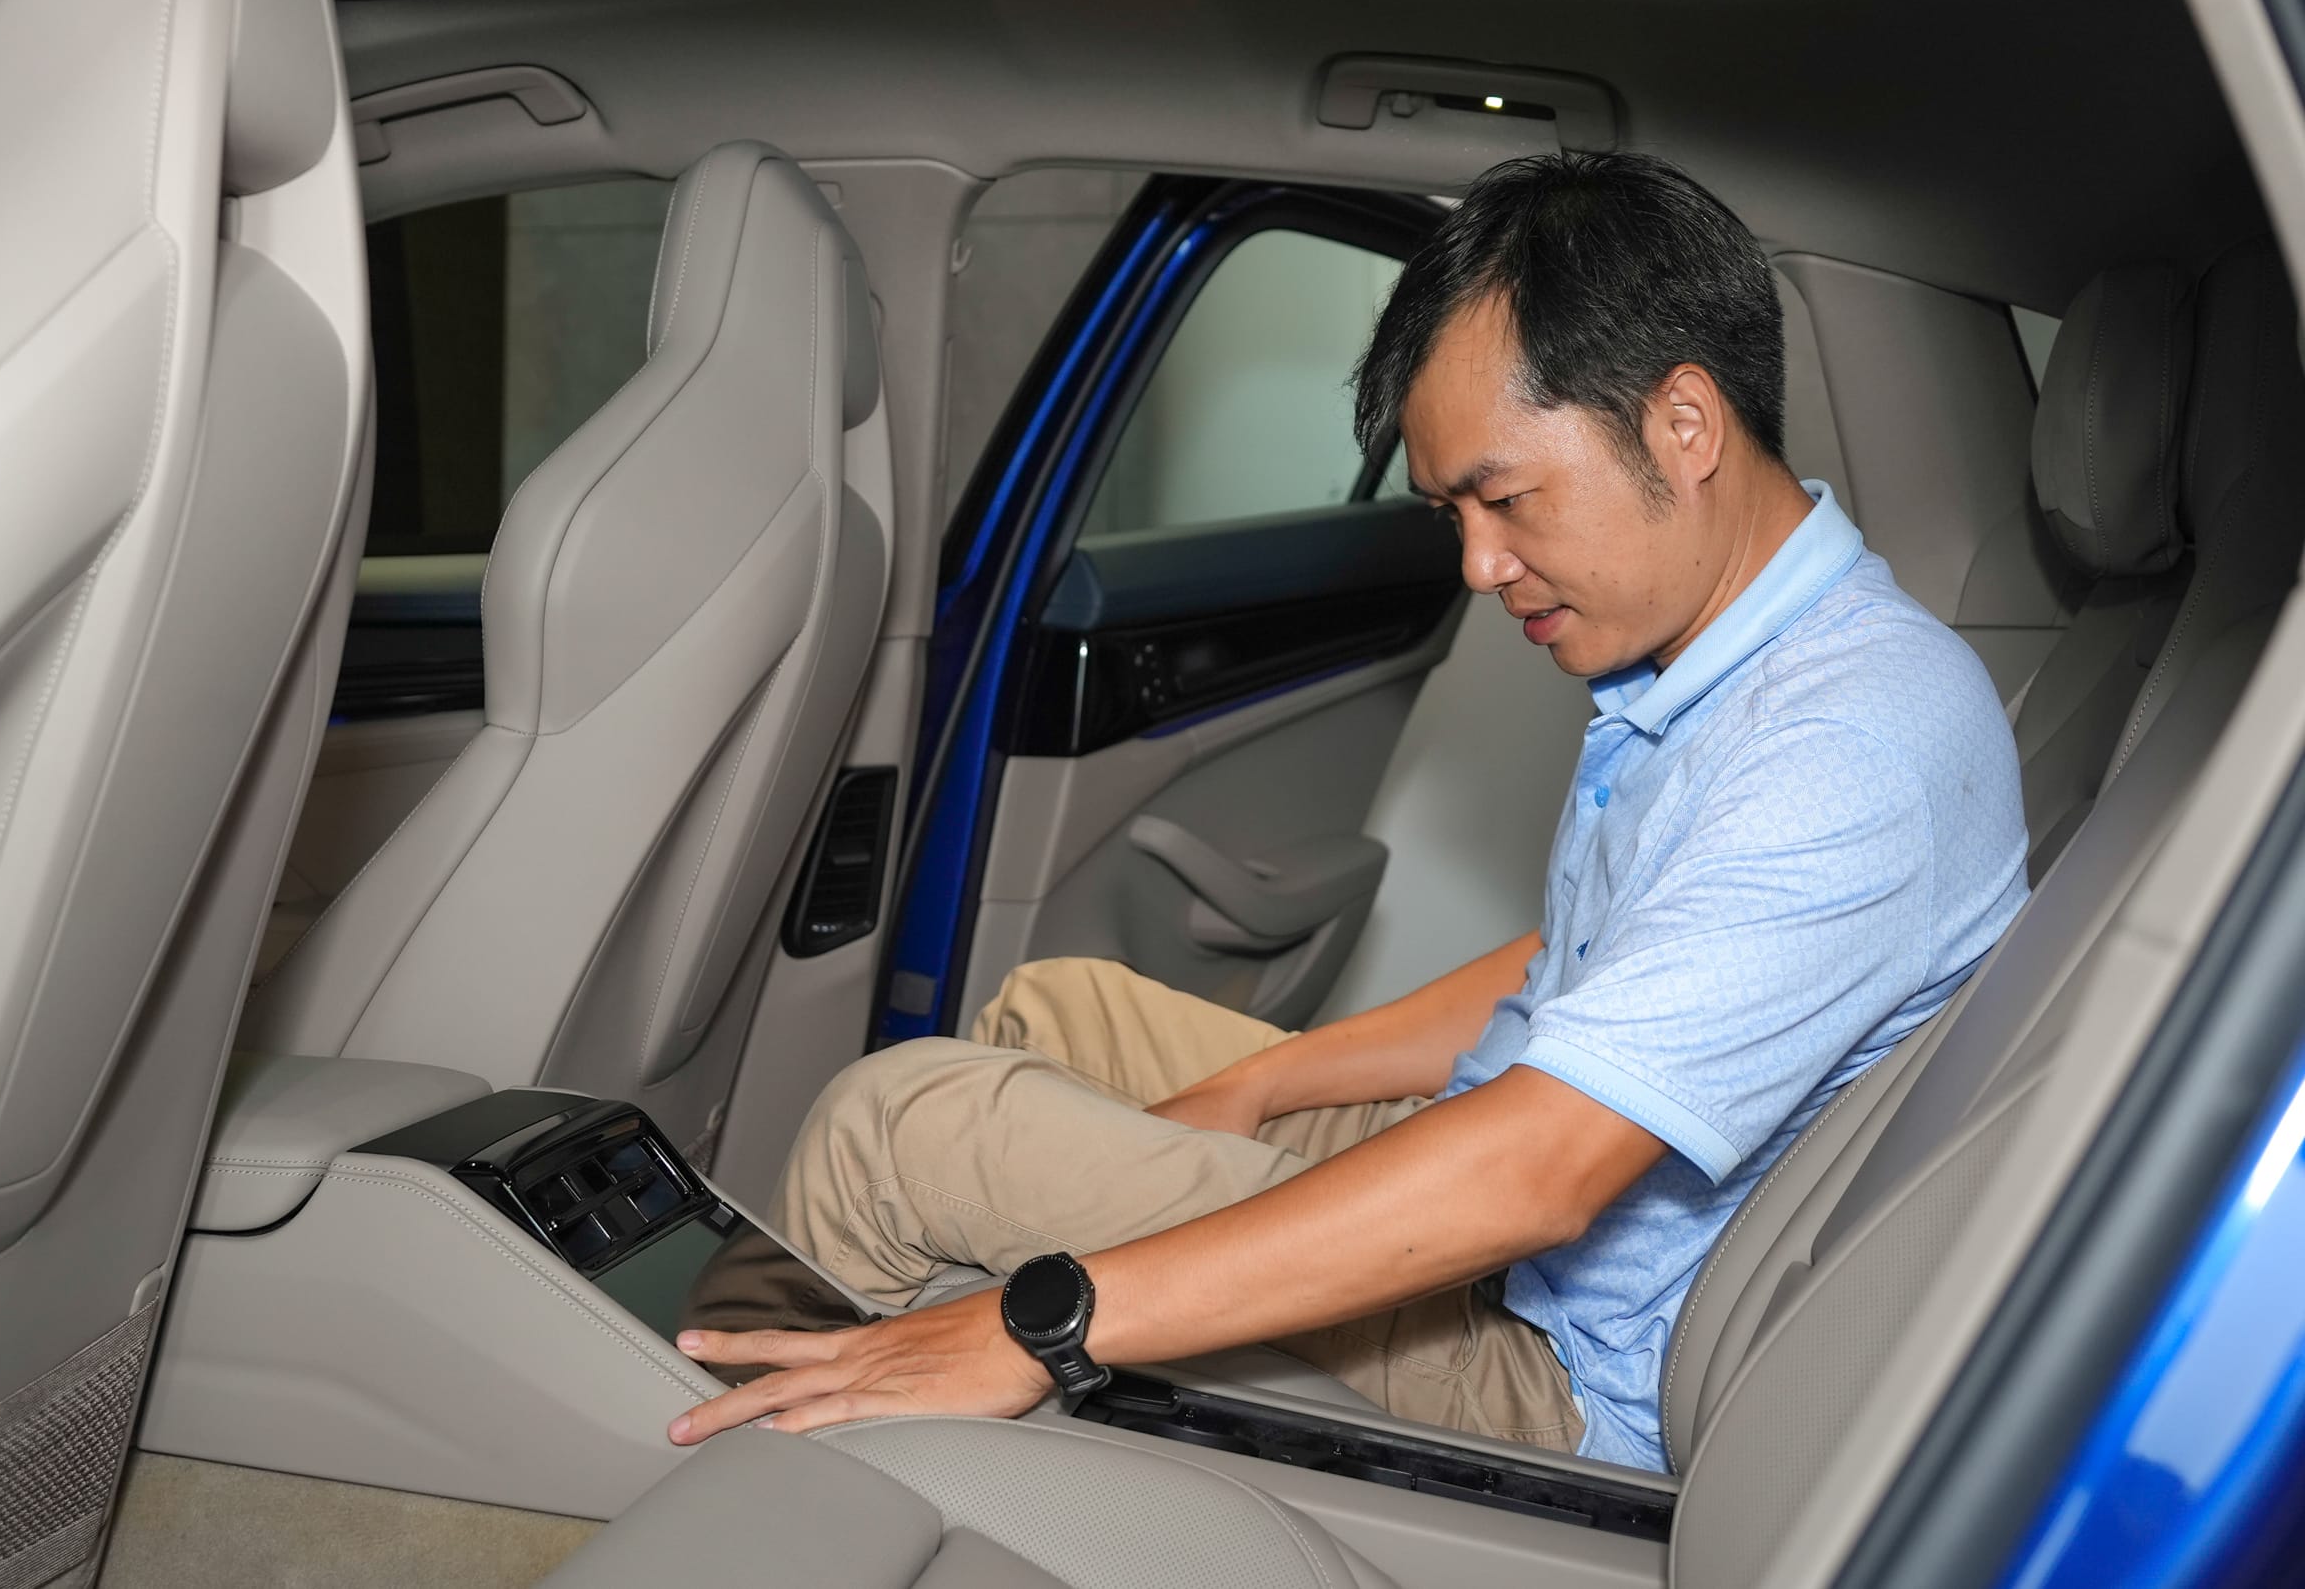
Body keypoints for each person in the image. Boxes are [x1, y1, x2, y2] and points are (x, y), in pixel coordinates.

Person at [667, 151, 2029, 1471]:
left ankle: (708, 1474)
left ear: (1684, 424)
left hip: (1550, 1360)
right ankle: (911, 1413)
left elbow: (1538, 1174)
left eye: (1506, 498)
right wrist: (1264, 1083)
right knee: (1060, 1012)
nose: (1480, 566)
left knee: (897, 1124)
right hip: (1502, 1213)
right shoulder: (1717, 666)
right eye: (1453, 514)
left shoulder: (1846, 744)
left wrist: (1045, 1323)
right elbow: (1582, 962)